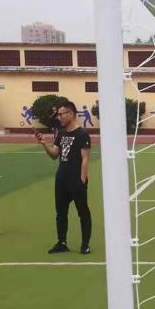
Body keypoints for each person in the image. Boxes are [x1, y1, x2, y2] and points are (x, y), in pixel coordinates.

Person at [36, 101, 92, 254]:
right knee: (61, 212)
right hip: (61, 179)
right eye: (58, 114)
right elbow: (55, 155)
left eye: (61, 114)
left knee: (83, 212)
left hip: (76, 179)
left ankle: (85, 244)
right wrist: (44, 144)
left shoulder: (82, 134)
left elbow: (85, 158)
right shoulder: (61, 133)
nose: (59, 117)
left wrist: (82, 179)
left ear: (71, 114)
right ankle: (62, 242)